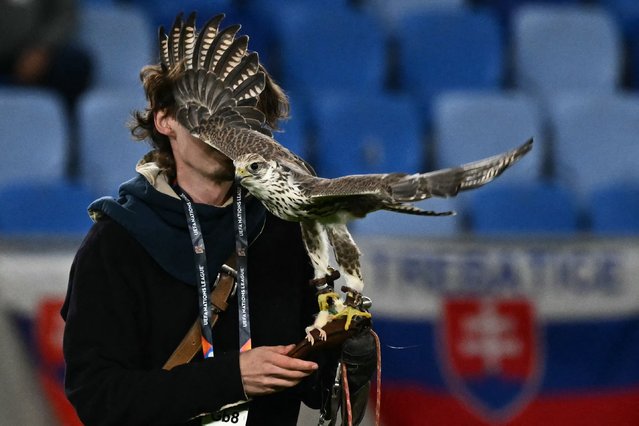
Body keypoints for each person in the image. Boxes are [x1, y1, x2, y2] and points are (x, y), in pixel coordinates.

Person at [60, 49, 331, 425]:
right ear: (165, 119)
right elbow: (99, 398)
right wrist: (230, 379)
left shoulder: (284, 229)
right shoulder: (116, 243)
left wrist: (342, 359)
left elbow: (315, 387)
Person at [0, 0, 92, 111]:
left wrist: (42, 48)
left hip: (34, 51)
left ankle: (61, 119)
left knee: (75, 64)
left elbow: (64, 16)